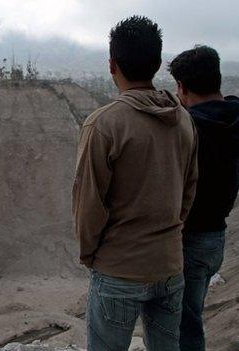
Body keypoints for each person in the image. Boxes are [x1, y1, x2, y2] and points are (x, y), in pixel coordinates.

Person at [72, 16, 198, 350]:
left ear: (112, 64)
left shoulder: (104, 124)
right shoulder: (183, 119)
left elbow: (89, 204)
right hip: (170, 265)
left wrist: (91, 255)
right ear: (157, 64)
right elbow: (188, 189)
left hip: (119, 269)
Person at [169, 45, 239, 351]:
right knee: (190, 317)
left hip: (189, 239)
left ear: (181, 87)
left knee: (184, 328)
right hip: (215, 239)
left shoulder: (189, 126)